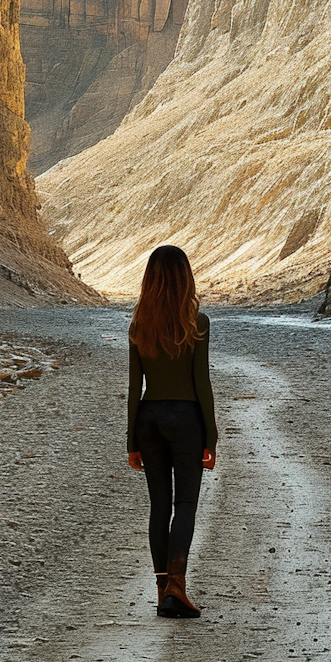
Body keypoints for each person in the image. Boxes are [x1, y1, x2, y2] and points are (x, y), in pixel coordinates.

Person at [126, 243, 217, 619]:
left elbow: (135, 387)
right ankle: (177, 589)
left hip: (148, 419)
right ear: (185, 278)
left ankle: (163, 588)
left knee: (159, 506)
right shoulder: (196, 322)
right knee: (185, 505)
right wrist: (210, 437)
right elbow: (202, 383)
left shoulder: (137, 324)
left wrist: (131, 441)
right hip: (186, 419)